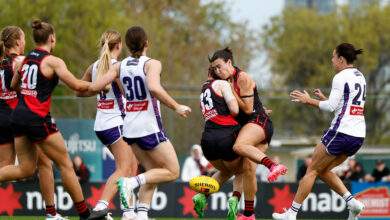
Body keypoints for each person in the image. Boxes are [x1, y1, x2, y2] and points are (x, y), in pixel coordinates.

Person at [89, 25, 191, 220]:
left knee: (154, 171)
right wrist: (176, 106)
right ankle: (131, 182)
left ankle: (141, 214)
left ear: (126, 45)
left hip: (129, 130)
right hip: (149, 127)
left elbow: (95, 86)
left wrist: (103, 88)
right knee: (172, 171)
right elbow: (153, 87)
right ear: (146, 44)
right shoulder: (152, 64)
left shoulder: (119, 66)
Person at [0, 20, 93, 220]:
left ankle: (52, 214)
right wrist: (102, 83)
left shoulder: (21, 61)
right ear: (52, 38)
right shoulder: (36, 60)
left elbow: (12, 85)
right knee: (61, 164)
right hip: (31, 117)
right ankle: (77, 214)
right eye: (22, 39)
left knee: (23, 168)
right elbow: (76, 85)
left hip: (15, 118)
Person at [273, 43, 366, 220]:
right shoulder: (360, 76)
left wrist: (308, 100)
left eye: (333, 57)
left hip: (341, 132)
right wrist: (324, 98)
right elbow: (345, 105)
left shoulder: (340, 77)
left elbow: (330, 107)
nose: (332, 60)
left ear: (341, 59)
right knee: (323, 171)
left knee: (312, 170)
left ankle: (291, 214)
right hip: (357, 135)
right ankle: (352, 202)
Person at [208, 47, 287, 220]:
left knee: (239, 147)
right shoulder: (221, 81)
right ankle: (249, 215)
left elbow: (248, 109)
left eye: (220, 66)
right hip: (246, 126)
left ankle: (273, 166)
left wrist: (231, 91)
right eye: (215, 69)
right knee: (245, 169)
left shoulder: (242, 78)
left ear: (230, 63)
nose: (218, 71)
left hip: (259, 123)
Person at [76, 30, 137, 220]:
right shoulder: (117, 67)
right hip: (116, 123)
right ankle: (101, 207)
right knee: (123, 168)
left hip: (102, 124)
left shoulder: (93, 67)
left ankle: (128, 213)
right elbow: (128, 95)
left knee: (131, 165)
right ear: (119, 46)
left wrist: (97, 91)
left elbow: (80, 91)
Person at [192, 68, 245, 220]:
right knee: (240, 171)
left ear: (208, 74)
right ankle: (235, 201)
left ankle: (202, 196)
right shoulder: (223, 84)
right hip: (226, 136)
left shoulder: (203, 89)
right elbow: (234, 110)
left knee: (227, 171)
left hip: (207, 141)